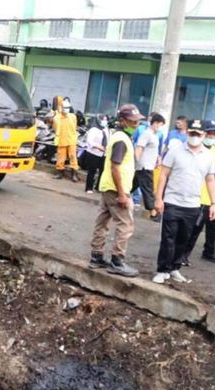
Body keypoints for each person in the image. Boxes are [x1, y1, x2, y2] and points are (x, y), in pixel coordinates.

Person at [152, 120, 215, 284]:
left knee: (183, 239)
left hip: (193, 204)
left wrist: (213, 203)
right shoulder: (175, 151)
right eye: (192, 133)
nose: (195, 137)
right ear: (188, 133)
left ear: (204, 135)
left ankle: (174, 268)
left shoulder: (208, 157)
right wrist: (159, 199)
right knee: (168, 237)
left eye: (198, 134)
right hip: (173, 201)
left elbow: (210, 180)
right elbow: (163, 174)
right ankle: (162, 269)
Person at [88, 104, 144, 278]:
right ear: (122, 121)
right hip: (115, 188)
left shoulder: (120, 136)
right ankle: (117, 260)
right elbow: (115, 167)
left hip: (108, 186)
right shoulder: (121, 139)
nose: (136, 125)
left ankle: (96, 256)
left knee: (103, 221)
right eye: (132, 122)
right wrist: (122, 193)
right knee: (125, 224)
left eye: (137, 122)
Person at [181, 123, 215, 266]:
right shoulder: (188, 149)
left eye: (214, 134)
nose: (211, 137)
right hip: (189, 194)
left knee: (196, 229)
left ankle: (185, 255)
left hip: (205, 197)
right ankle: (178, 253)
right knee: (185, 227)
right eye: (209, 133)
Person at [133, 113, 165, 221]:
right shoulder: (146, 134)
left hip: (148, 165)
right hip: (144, 166)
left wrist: (157, 160)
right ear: (155, 123)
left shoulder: (155, 136)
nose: (160, 127)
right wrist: (137, 161)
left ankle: (118, 198)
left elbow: (155, 151)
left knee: (131, 186)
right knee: (148, 189)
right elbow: (139, 148)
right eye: (160, 124)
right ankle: (153, 212)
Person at [51, 96, 79, 181]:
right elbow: (55, 128)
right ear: (61, 108)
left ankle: (74, 174)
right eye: (65, 108)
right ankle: (59, 172)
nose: (66, 109)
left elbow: (75, 127)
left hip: (71, 140)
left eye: (68, 108)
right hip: (62, 139)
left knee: (73, 157)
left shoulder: (73, 117)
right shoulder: (57, 118)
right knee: (61, 157)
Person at [82, 114, 109, 193]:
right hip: (93, 153)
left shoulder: (106, 129)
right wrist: (98, 147)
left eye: (106, 120)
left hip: (103, 154)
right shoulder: (94, 129)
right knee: (92, 171)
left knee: (102, 171)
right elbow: (90, 141)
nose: (105, 121)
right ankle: (89, 188)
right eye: (103, 119)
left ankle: (98, 187)